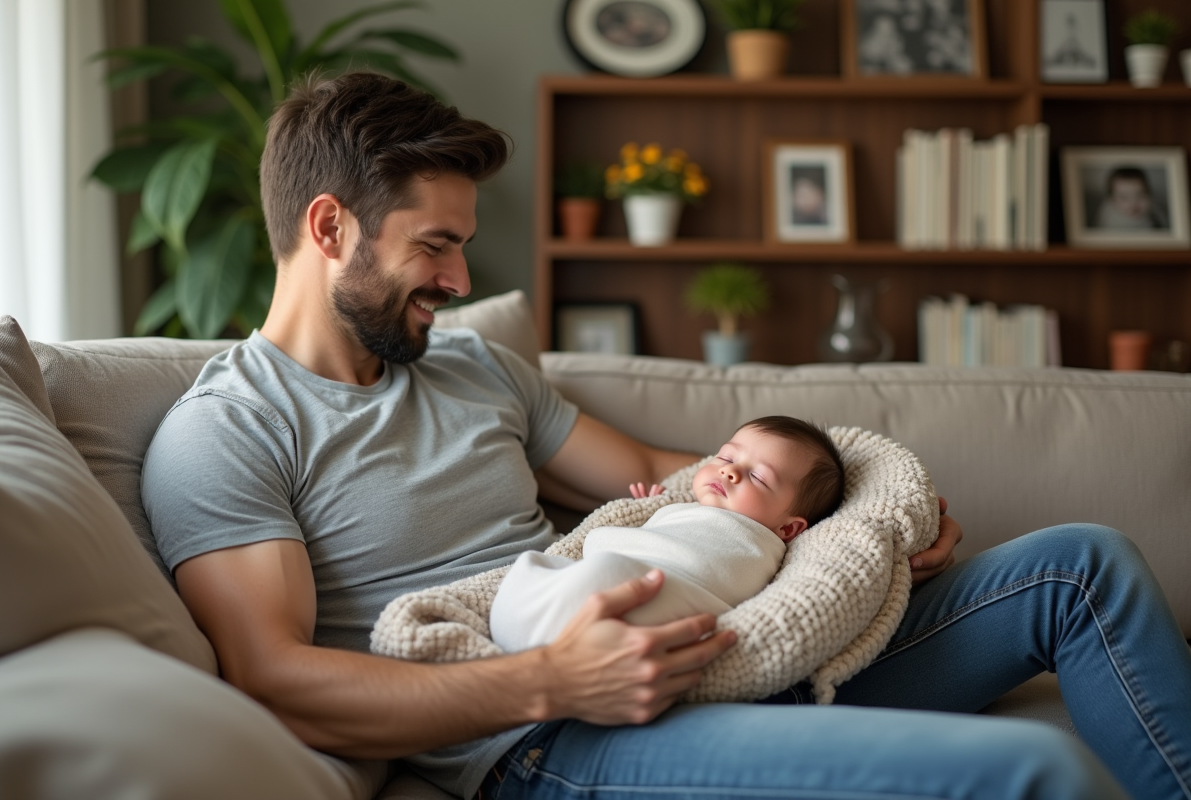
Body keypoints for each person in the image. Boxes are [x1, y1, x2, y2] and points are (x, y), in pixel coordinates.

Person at [141, 72, 1191, 800]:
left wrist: (867, 536)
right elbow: (274, 674)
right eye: (437, 246)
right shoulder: (227, 430)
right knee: (1035, 775)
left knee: (1079, 565)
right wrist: (556, 679)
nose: (461, 282)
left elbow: (664, 479)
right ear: (329, 229)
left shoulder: (470, 364)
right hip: (552, 737)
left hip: (728, 644)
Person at [490, 416, 844, 653]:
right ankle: (533, 631)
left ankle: (533, 631)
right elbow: (670, 535)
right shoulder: (683, 506)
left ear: (789, 528)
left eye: (759, 478)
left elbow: (706, 559)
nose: (731, 471)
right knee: (529, 568)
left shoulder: (765, 543)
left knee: (603, 573)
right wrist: (655, 511)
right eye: (725, 457)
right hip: (619, 593)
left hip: (668, 593)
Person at [1095, 166, 1168, 230]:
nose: (1133, 203)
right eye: (1124, 198)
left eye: (1140, 195)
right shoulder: (1109, 218)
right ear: (1112, 200)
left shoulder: (1153, 212)